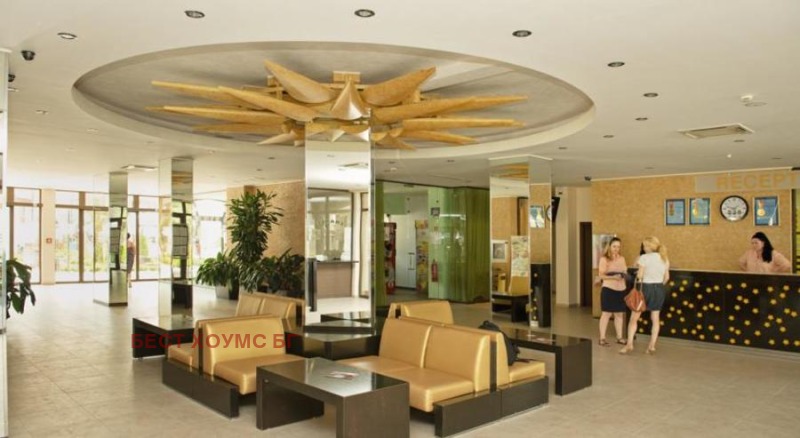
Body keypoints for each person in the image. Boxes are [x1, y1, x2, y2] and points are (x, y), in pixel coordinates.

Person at [620, 236, 669, 355]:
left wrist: (639, 273)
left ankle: (629, 344)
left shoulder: (644, 258)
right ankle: (651, 346)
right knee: (655, 319)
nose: (643, 248)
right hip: (659, 290)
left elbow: (640, 276)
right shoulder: (664, 258)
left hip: (645, 289)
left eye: (644, 246)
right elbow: (666, 278)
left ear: (648, 246)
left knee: (634, 318)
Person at [597, 237, 628, 347]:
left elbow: (624, 271)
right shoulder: (604, 259)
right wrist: (614, 277)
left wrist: (624, 275)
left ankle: (619, 338)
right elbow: (601, 275)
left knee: (619, 314)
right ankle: (602, 338)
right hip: (609, 289)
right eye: (614, 246)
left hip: (621, 289)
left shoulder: (622, 258)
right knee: (606, 314)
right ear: (609, 246)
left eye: (618, 247)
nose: (616, 249)